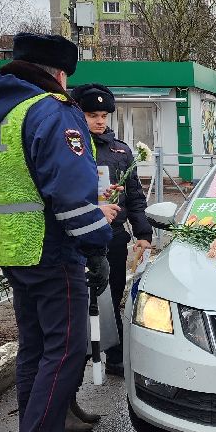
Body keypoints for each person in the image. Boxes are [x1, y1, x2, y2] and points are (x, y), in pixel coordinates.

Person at [0, 32, 117, 432]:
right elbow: (71, 192)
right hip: (54, 252)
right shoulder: (51, 111)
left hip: (16, 253)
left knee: (35, 352)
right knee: (65, 353)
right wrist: (96, 246)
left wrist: (2, 242)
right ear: (58, 73)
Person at [71, 82, 153, 375]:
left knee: (113, 293)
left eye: (104, 115)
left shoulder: (120, 151)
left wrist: (143, 233)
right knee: (81, 300)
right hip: (79, 236)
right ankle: (80, 357)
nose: (100, 120)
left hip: (113, 236)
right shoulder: (72, 148)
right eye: (92, 114)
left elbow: (134, 195)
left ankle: (115, 355)